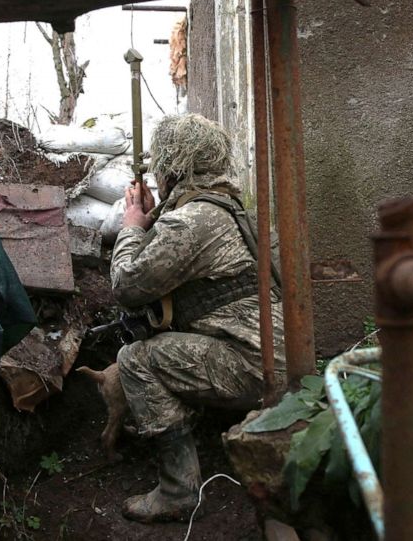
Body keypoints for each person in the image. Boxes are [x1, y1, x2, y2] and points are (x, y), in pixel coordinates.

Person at [110, 113, 285, 523]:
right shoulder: (225, 208)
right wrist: (155, 219)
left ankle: (178, 491)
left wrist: (133, 227)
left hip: (250, 367)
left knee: (135, 359)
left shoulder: (191, 221)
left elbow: (127, 285)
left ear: (171, 167)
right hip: (274, 361)